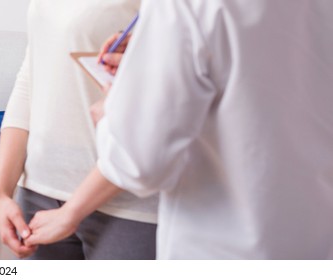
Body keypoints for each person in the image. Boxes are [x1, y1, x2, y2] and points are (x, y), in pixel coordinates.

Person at [24, 0, 333, 259]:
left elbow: (140, 164)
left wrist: (112, 113)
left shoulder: (182, 6)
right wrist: (161, 54)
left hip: (221, 247)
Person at [0, 0, 159, 260]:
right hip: (38, 191)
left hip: (124, 198)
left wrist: (73, 212)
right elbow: (29, 80)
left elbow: (167, 103)